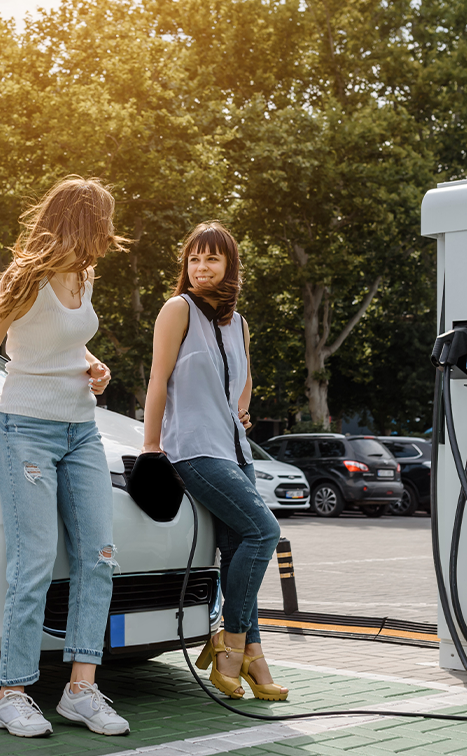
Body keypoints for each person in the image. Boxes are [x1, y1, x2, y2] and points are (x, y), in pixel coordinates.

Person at [0, 177, 131, 738]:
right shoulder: (23, 277)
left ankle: (80, 690)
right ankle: (10, 694)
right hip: (26, 429)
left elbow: (64, 341)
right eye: (104, 220)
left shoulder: (84, 274)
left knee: (98, 557)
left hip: (82, 430)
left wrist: (93, 364)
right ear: (84, 221)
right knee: (33, 561)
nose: (109, 232)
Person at [141, 221, 288, 701]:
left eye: (212, 259)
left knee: (240, 551)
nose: (201, 268)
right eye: (194, 259)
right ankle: (234, 641)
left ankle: (251, 655)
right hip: (193, 448)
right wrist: (150, 445)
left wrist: (241, 409)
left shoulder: (238, 323)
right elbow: (158, 378)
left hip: (235, 450)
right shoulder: (177, 309)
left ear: (230, 265)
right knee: (264, 532)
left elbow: (244, 376)